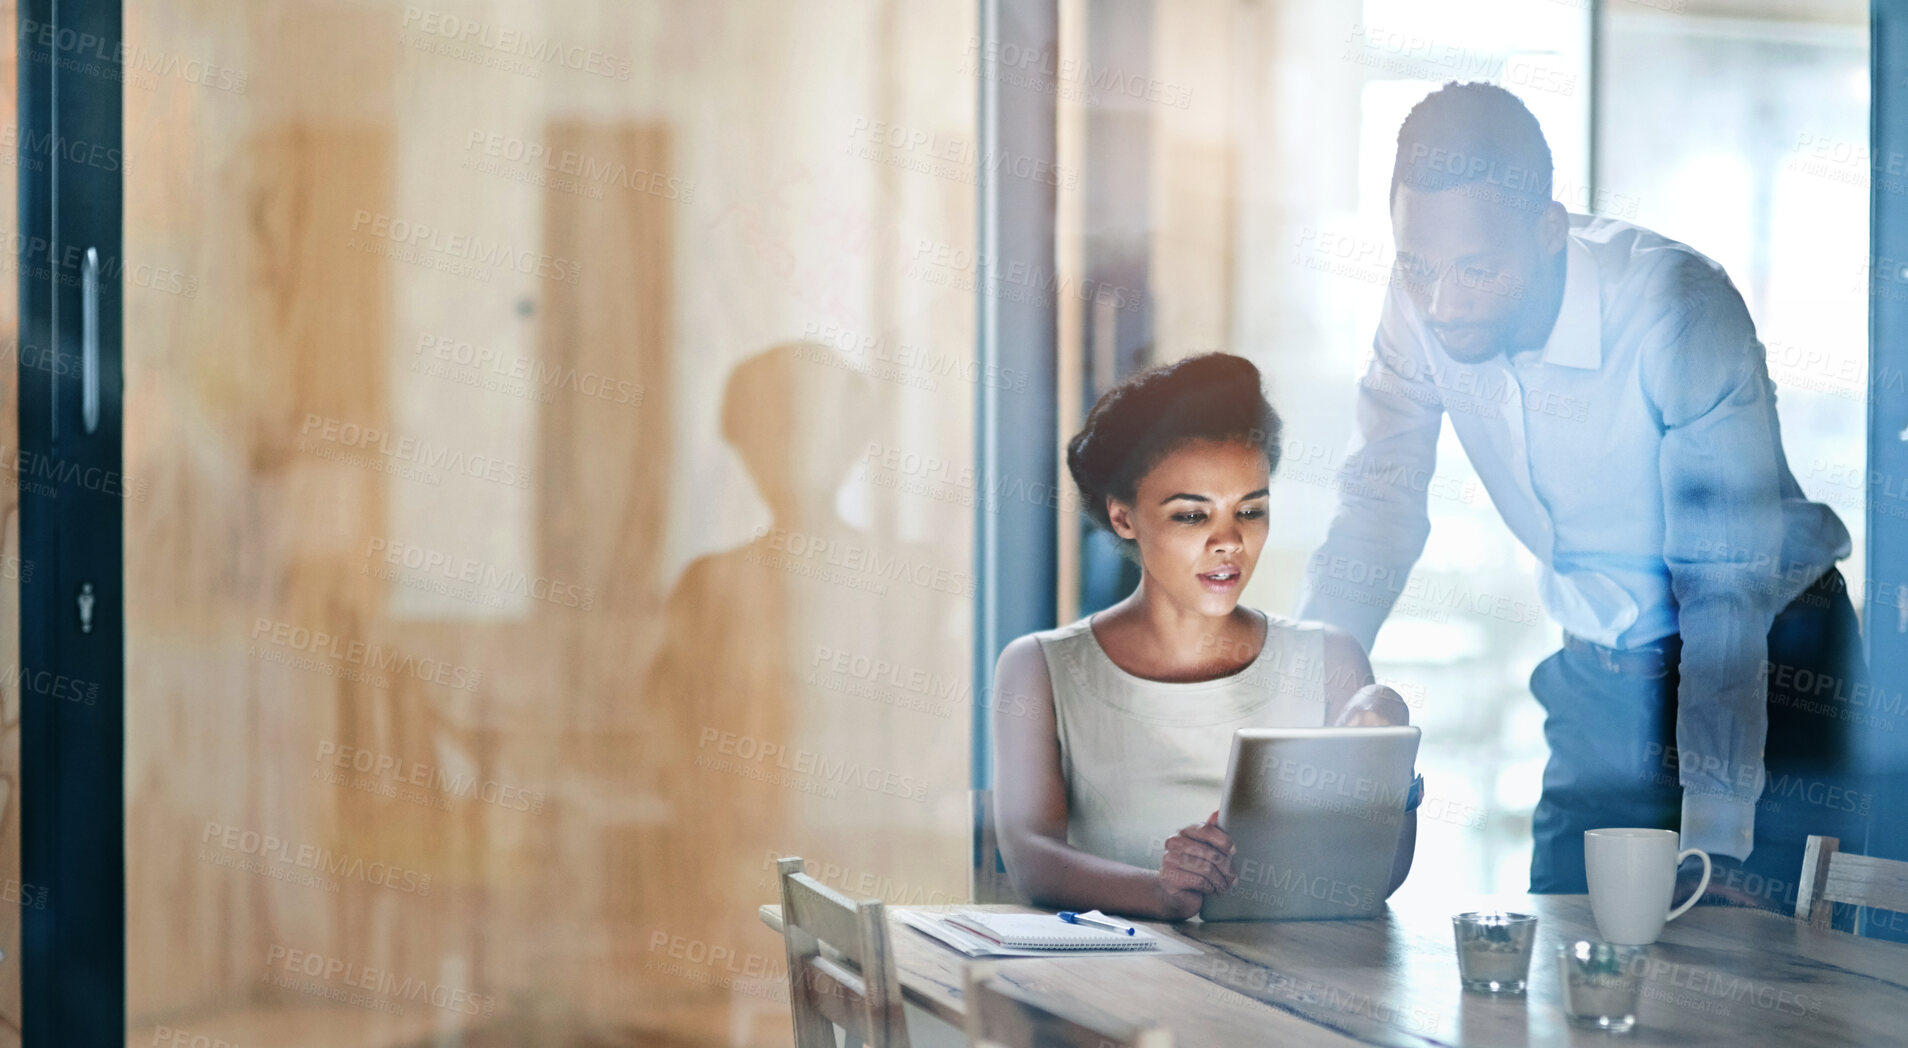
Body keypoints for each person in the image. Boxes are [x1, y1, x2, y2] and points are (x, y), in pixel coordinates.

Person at [1297, 81, 1864, 912]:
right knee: (1563, 949)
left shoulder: (1676, 310)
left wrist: (1714, 834)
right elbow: (1377, 506)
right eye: (1419, 267)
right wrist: (1305, 726)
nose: (1441, 304)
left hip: (1770, 659)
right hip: (1602, 667)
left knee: (1751, 976)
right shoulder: (1420, 299)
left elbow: (1723, 593)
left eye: (1476, 270)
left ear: (1548, 231)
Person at [992, 353, 1417, 921]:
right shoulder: (1040, 667)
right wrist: (1161, 893)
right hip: (1114, 984)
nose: (1229, 542)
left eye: (1251, 510)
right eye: (1192, 516)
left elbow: (1374, 877)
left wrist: (1394, 788)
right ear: (1124, 518)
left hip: (1296, 981)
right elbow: (1031, 859)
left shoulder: (1330, 659)